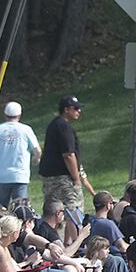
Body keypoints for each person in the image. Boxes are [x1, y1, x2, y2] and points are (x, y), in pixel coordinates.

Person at [40, 95, 93, 240]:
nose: (79, 111)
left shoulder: (54, 124)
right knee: (73, 209)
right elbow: (68, 154)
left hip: (49, 176)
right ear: (66, 110)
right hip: (63, 177)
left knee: (53, 210)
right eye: (76, 108)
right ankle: (77, 245)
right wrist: (76, 177)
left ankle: (56, 241)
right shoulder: (64, 127)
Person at [0, 101, 41, 207]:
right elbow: (37, 150)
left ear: (5, 115)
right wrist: (35, 159)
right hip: (20, 174)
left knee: (2, 209)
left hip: (2, 175)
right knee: (20, 208)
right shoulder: (26, 129)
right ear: (19, 115)